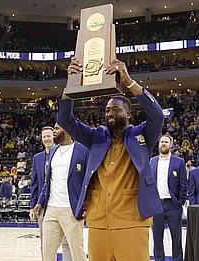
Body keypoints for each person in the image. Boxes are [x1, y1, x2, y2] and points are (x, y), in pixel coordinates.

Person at [57, 58, 164, 261]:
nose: (110, 114)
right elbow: (65, 120)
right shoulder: (96, 136)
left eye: (115, 109)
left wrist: (129, 82)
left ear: (129, 114)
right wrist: (71, 83)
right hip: (98, 222)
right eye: (107, 110)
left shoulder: (142, 135)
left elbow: (157, 116)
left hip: (132, 220)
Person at [34, 123, 89, 261]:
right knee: (47, 252)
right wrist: (40, 202)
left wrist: (87, 204)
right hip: (51, 209)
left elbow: (88, 180)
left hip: (71, 209)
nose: (54, 131)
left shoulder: (82, 150)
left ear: (67, 130)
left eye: (57, 128)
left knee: (77, 251)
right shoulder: (53, 151)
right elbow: (48, 180)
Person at [30, 126, 72, 261]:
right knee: (46, 243)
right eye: (44, 137)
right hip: (44, 206)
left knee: (68, 242)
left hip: (64, 203)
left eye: (49, 136)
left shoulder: (64, 153)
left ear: (54, 136)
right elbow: (35, 184)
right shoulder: (37, 158)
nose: (46, 139)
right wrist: (33, 205)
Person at [150, 134, 187, 261]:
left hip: (173, 205)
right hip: (157, 205)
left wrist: (180, 202)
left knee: (176, 238)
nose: (164, 144)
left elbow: (183, 184)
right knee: (157, 238)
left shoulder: (179, 162)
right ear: (158, 144)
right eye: (162, 142)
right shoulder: (152, 161)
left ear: (170, 145)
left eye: (166, 142)